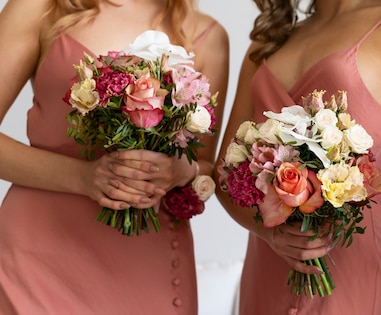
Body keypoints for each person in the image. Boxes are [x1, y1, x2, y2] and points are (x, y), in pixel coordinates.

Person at [214, 0, 381, 314]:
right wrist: (271, 232)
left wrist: (340, 205)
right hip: (269, 264)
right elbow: (227, 173)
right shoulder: (271, 36)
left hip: (348, 266)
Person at [0, 0, 228, 314]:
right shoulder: (39, 7)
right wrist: (83, 178)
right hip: (36, 256)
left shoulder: (208, 35)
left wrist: (179, 171)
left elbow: (204, 165)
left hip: (147, 265)